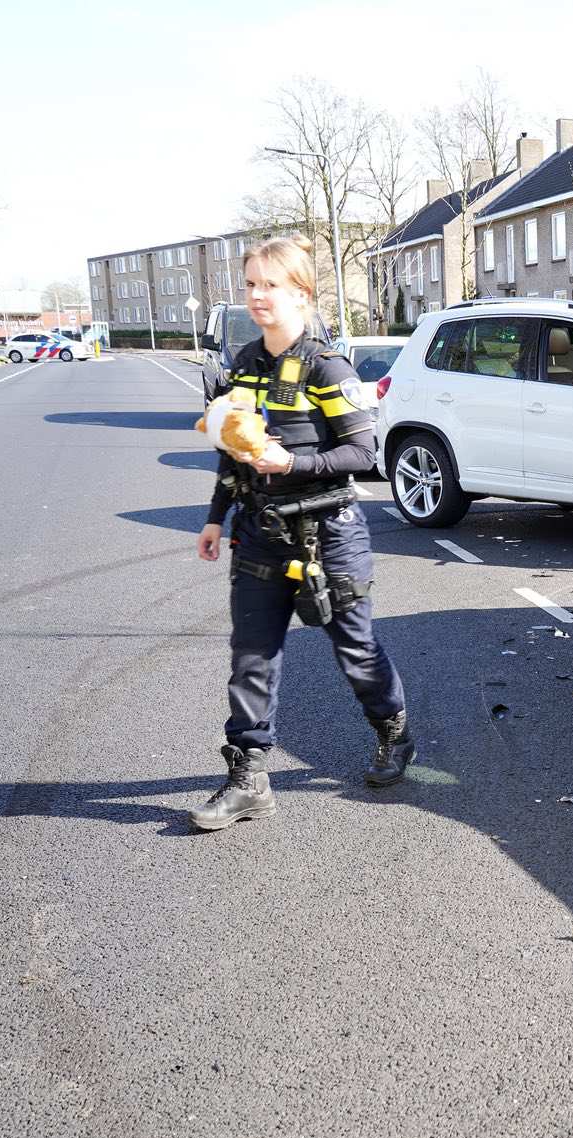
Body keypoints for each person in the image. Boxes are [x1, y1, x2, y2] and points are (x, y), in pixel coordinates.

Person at [190, 234, 413, 831]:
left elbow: (363, 452)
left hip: (328, 536)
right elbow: (236, 449)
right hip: (258, 534)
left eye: (271, 286)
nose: (258, 297)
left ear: (301, 293)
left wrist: (294, 465)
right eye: (252, 285)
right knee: (251, 658)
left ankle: (394, 732)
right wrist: (215, 516)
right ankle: (248, 778)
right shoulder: (243, 364)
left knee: (356, 651)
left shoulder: (325, 366)